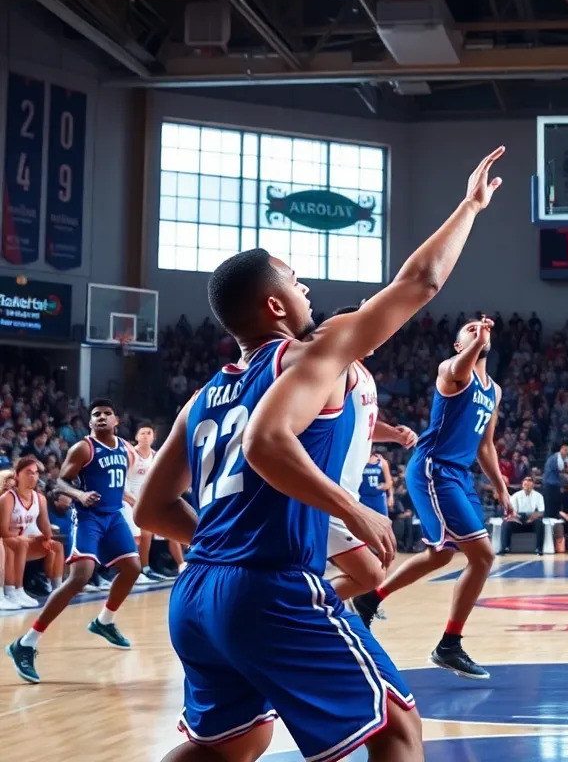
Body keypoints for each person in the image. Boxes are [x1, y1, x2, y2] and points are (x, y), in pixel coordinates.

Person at [131, 146, 504, 761]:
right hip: (267, 588)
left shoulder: (202, 395)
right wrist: (470, 204)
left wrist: (220, 549)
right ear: (275, 306)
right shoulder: (313, 350)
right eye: (296, 281)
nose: (307, 288)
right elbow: (420, 282)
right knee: (396, 728)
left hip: (196, 595)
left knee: (232, 743)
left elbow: (150, 509)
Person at [353, 315, 514, 681]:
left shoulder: (494, 390)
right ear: (460, 346)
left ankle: (370, 598)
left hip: (458, 475)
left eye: (482, 329)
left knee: (440, 554)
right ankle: (449, 645)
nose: (478, 332)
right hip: (433, 469)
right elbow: (461, 363)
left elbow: (485, 446)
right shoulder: (453, 371)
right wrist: (476, 341)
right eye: (469, 331)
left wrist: (502, 488)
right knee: (483, 555)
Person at [8, 398, 143, 684]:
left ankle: (104, 621)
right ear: (90, 422)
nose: (102, 417)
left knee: (133, 567)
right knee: (81, 576)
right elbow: (59, 482)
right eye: (96, 414)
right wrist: (80, 496)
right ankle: (26, 643)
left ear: (116, 420)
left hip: (114, 515)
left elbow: (119, 484)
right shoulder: (83, 448)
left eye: (108, 413)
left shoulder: (125, 449)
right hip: (88, 517)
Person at [323, 304, 418, 602]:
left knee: (369, 570)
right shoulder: (339, 367)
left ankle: (306, 609)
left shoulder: (362, 372)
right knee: (371, 571)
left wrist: (393, 434)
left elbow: (364, 422)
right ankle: (304, 611)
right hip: (329, 490)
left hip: (349, 491)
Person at [124, 423, 185, 583]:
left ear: (154, 437)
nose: (145, 436)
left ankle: (182, 565)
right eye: (142, 433)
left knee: (172, 529)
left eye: (148, 433)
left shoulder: (156, 456)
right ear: (136, 436)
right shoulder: (130, 454)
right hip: (128, 500)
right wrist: (135, 502)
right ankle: (144, 569)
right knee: (146, 532)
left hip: (146, 502)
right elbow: (122, 485)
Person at [1, 457, 64, 608]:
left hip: (22, 542)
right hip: (6, 541)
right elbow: (2, 530)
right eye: (28, 472)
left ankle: (58, 589)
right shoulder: (8, 498)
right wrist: (25, 538)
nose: (32, 476)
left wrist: (46, 537)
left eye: (35, 473)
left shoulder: (39, 498)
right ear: (17, 475)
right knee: (20, 544)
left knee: (56, 546)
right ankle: (15, 590)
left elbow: (44, 524)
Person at [501, 476, 546, 555]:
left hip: (532, 518)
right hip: (519, 519)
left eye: (530, 481)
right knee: (506, 523)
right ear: (522, 484)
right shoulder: (516, 495)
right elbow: (512, 511)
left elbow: (541, 511)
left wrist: (533, 517)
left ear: (533, 485)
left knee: (540, 523)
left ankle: (539, 548)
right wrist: (517, 518)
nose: (528, 484)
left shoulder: (539, 496)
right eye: (526, 481)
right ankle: (505, 547)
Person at [358, 450, 395, 516]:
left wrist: (390, 496)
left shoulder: (381, 462)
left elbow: (389, 482)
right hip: (363, 497)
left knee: (383, 522)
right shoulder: (358, 462)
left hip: (378, 498)